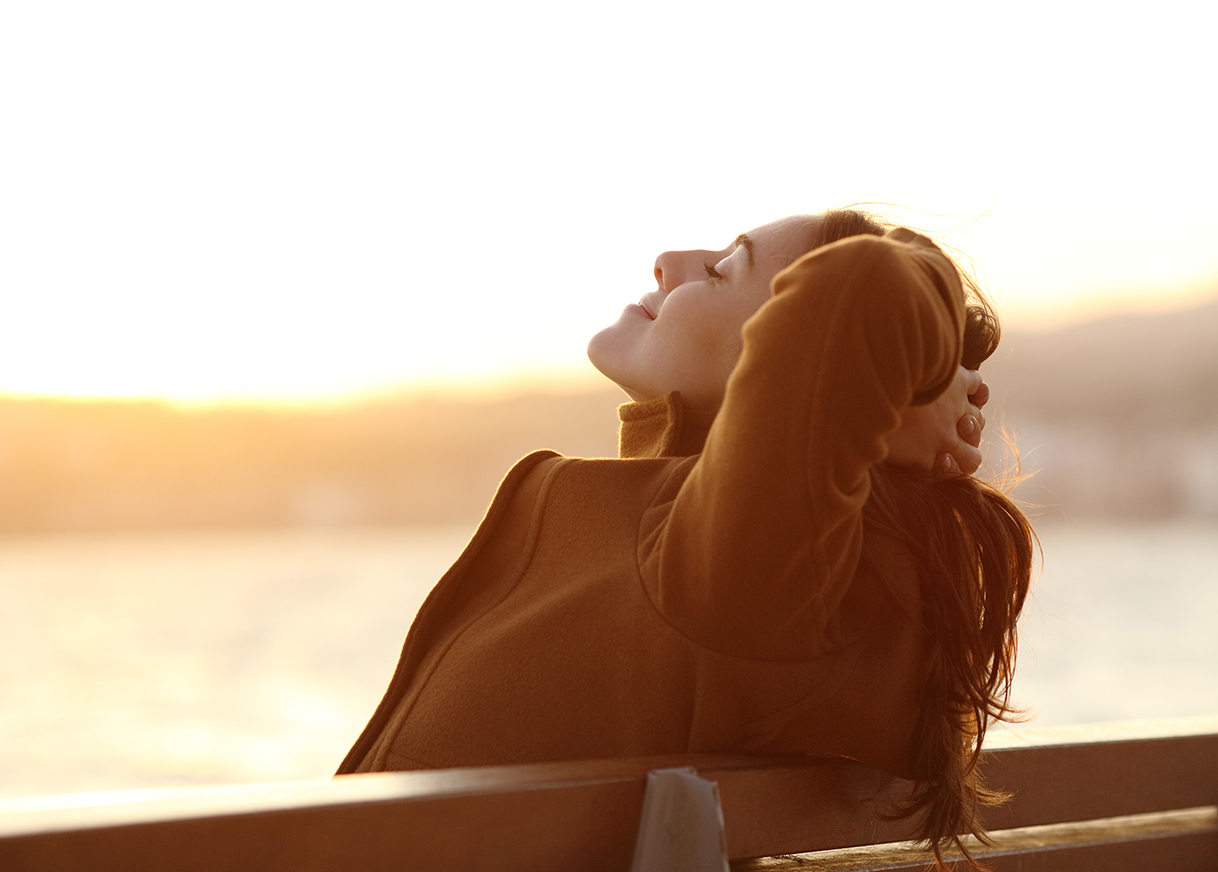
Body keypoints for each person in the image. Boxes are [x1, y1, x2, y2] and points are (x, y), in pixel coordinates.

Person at [337, 209, 1035, 866]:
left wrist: (911, 383)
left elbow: (864, 286)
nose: (670, 261)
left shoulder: (729, 563)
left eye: (724, 271)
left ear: (797, 352)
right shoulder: (694, 543)